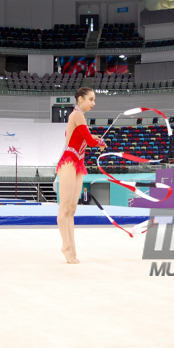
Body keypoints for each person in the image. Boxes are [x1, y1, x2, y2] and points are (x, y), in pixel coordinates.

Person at [56, 87, 106, 264]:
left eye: (94, 100)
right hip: (69, 160)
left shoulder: (79, 119)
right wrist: (98, 141)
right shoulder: (77, 115)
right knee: (65, 207)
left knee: (72, 209)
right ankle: (66, 247)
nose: (93, 103)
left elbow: (85, 137)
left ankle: (72, 248)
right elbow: (90, 141)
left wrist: (96, 139)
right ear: (80, 99)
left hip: (78, 163)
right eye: (91, 99)